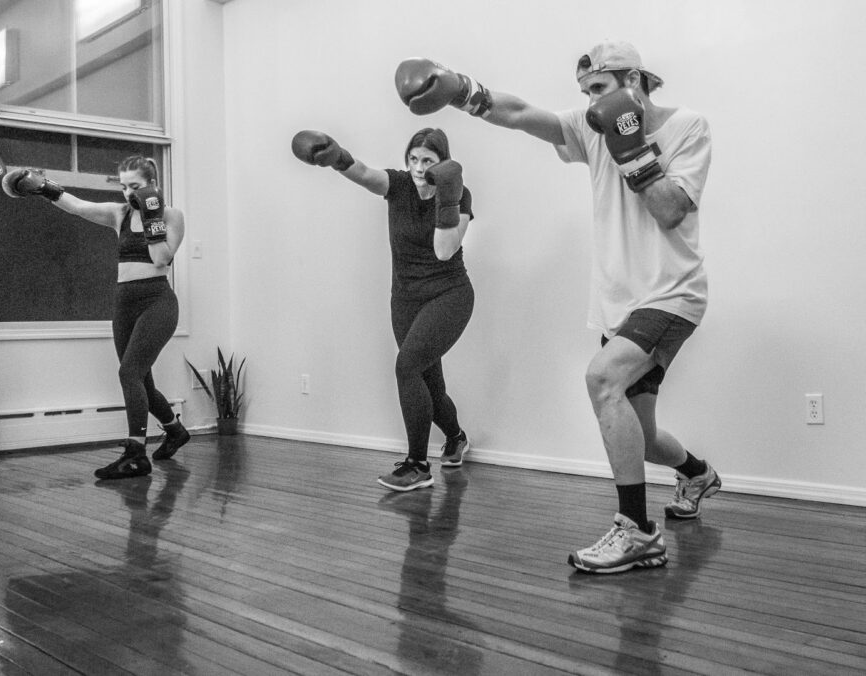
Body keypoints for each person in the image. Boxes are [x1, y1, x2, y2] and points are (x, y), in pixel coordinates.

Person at [395, 42, 720, 573]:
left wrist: (630, 145)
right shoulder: (592, 126)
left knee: (602, 380)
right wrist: (459, 89)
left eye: (601, 89)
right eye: (586, 92)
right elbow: (523, 114)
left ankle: (637, 533)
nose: (592, 102)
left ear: (634, 79)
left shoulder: (689, 126)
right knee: (639, 435)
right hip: (620, 303)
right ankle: (696, 473)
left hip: (673, 291)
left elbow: (669, 209)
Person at [292, 127, 475, 491]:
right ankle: (455, 437)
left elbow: (444, 250)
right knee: (427, 381)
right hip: (405, 298)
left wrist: (448, 198)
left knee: (406, 367)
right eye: (414, 158)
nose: (419, 167)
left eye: (428, 160)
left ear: (443, 164)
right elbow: (362, 173)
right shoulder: (398, 185)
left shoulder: (458, 194)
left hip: (449, 296)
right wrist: (335, 156)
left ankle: (418, 465)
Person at [1, 155, 191, 480]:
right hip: (124, 303)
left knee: (129, 373)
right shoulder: (119, 214)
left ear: (153, 185)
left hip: (157, 301)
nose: (128, 193)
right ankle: (175, 430)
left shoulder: (171, 215)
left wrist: (151, 213)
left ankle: (136, 453)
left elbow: (161, 258)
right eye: (124, 186)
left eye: (136, 186)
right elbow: (77, 205)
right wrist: (43, 187)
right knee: (141, 379)